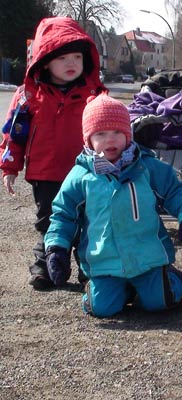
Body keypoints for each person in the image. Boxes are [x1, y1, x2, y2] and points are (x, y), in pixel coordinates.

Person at [44, 94, 182, 318]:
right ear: (88, 139)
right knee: (101, 308)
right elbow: (63, 214)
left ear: (128, 135)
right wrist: (57, 247)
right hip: (104, 260)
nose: (110, 140)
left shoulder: (146, 166)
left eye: (117, 132)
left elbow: (174, 191)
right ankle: (119, 289)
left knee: (160, 302)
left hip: (147, 257)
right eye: (101, 134)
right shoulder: (81, 176)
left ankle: (173, 279)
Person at [0, 17, 105, 290]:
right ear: (44, 60)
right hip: (46, 173)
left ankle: (91, 268)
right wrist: (9, 167)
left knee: (87, 222)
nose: (71, 64)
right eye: (62, 58)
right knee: (50, 223)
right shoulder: (29, 96)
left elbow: (111, 129)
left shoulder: (94, 95)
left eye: (77, 57)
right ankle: (46, 267)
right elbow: (14, 134)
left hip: (86, 172)